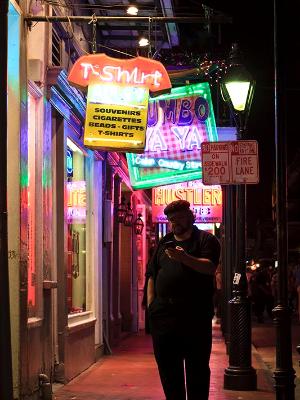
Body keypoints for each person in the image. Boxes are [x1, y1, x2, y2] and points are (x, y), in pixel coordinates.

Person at [146, 200, 220, 400]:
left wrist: (184, 258)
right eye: (171, 220)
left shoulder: (206, 240)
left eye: (178, 218)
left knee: (197, 371)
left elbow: (210, 267)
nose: (174, 223)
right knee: (169, 372)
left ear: (190, 217)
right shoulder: (165, 242)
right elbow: (152, 274)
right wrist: (152, 306)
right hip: (163, 317)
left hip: (194, 317)